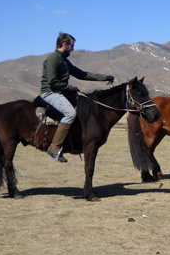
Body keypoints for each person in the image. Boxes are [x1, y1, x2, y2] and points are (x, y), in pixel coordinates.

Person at [40, 33, 114, 162]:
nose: (73, 49)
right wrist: (71, 88)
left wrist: (104, 78)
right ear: (64, 44)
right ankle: (54, 147)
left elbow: (82, 74)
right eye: (72, 46)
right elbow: (52, 81)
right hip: (50, 92)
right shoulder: (53, 59)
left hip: (62, 93)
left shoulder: (64, 61)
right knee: (70, 113)